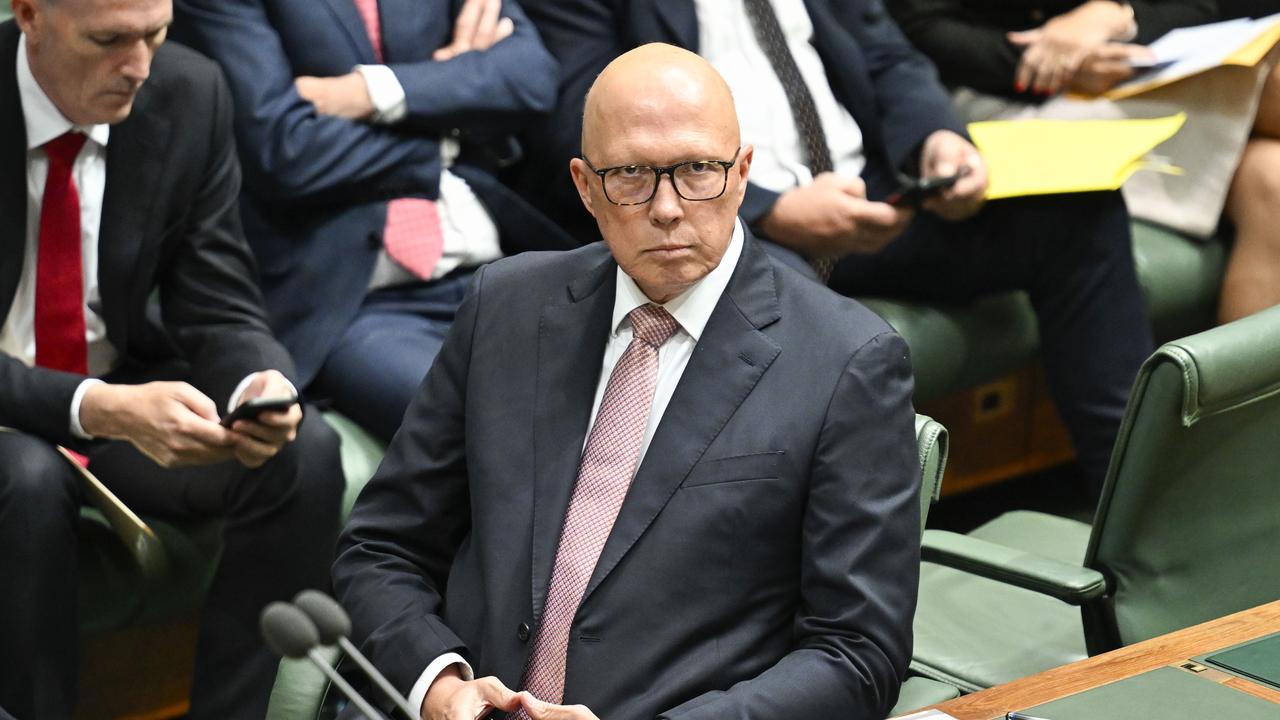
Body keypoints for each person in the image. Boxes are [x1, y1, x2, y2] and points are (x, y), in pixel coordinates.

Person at [333, 44, 921, 720]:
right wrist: (441, 686)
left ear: (743, 173)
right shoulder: (505, 307)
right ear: (585, 186)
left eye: (698, 170)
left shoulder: (848, 360)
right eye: (633, 176)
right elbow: (382, 546)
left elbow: (857, 653)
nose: (668, 208)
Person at [512, 0, 1154, 497]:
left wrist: (936, 140)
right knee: (777, 311)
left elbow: (888, 55)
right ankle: (843, 609)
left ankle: (1136, 524)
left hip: (871, 196)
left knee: (1079, 217)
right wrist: (771, 207)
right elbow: (581, 118)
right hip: (723, 220)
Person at [0, 1, 344, 717]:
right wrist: (94, 407)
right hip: (21, 416)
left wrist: (259, 382)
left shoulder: (188, 93)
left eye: (156, 34)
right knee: (28, 478)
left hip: (113, 391)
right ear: (29, 13)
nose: (139, 67)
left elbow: (216, 296)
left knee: (302, 451)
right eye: (109, 40)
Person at [170, 0, 574, 441]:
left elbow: (531, 77)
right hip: (357, 302)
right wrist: (448, 132)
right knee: (497, 423)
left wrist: (370, 91)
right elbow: (282, 149)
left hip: (498, 272)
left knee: (634, 397)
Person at [891, 0, 1280, 323]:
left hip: (1136, 63)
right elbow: (912, 28)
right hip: (993, 91)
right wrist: (1053, 62)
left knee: (1273, 181)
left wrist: (1119, 15)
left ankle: (1249, 417)